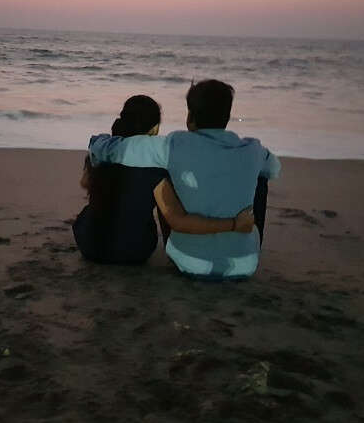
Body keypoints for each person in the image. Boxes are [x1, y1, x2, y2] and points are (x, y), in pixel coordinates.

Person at [89, 80, 281, 279]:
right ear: (227, 116)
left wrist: (97, 141)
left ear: (190, 116)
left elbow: (118, 150)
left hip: (189, 261)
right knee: (261, 178)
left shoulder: (173, 145)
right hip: (245, 265)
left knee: (168, 172)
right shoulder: (254, 149)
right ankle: (243, 242)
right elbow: (275, 168)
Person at [73, 94, 255, 265]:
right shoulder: (155, 170)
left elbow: (85, 183)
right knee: (163, 203)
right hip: (131, 252)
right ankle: (169, 245)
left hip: (89, 245)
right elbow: (176, 220)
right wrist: (233, 224)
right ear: (154, 130)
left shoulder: (102, 152)